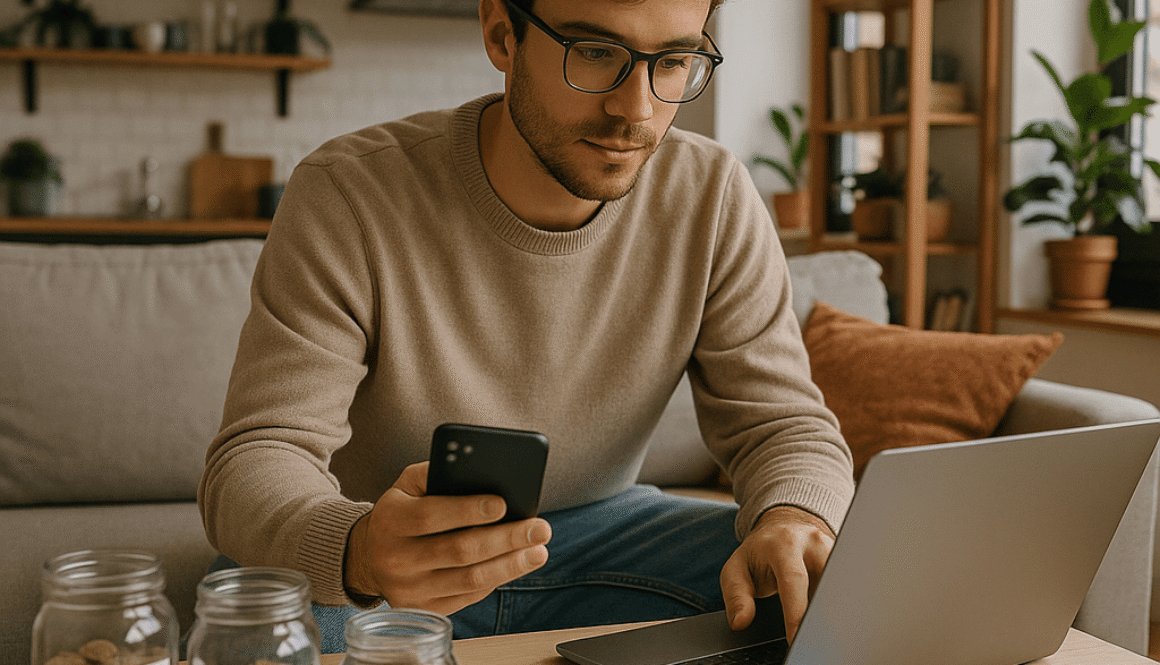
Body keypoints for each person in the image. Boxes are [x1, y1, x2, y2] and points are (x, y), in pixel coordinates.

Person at [199, 0, 855, 653]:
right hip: (385, 550)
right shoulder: (348, 195)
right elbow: (256, 457)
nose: (637, 109)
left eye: (675, 61)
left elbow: (784, 424)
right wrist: (359, 551)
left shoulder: (712, 196)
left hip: (609, 534)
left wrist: (794, 517)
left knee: (816, 577)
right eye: (596, 54)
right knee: (259, 615)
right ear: (501, 34)